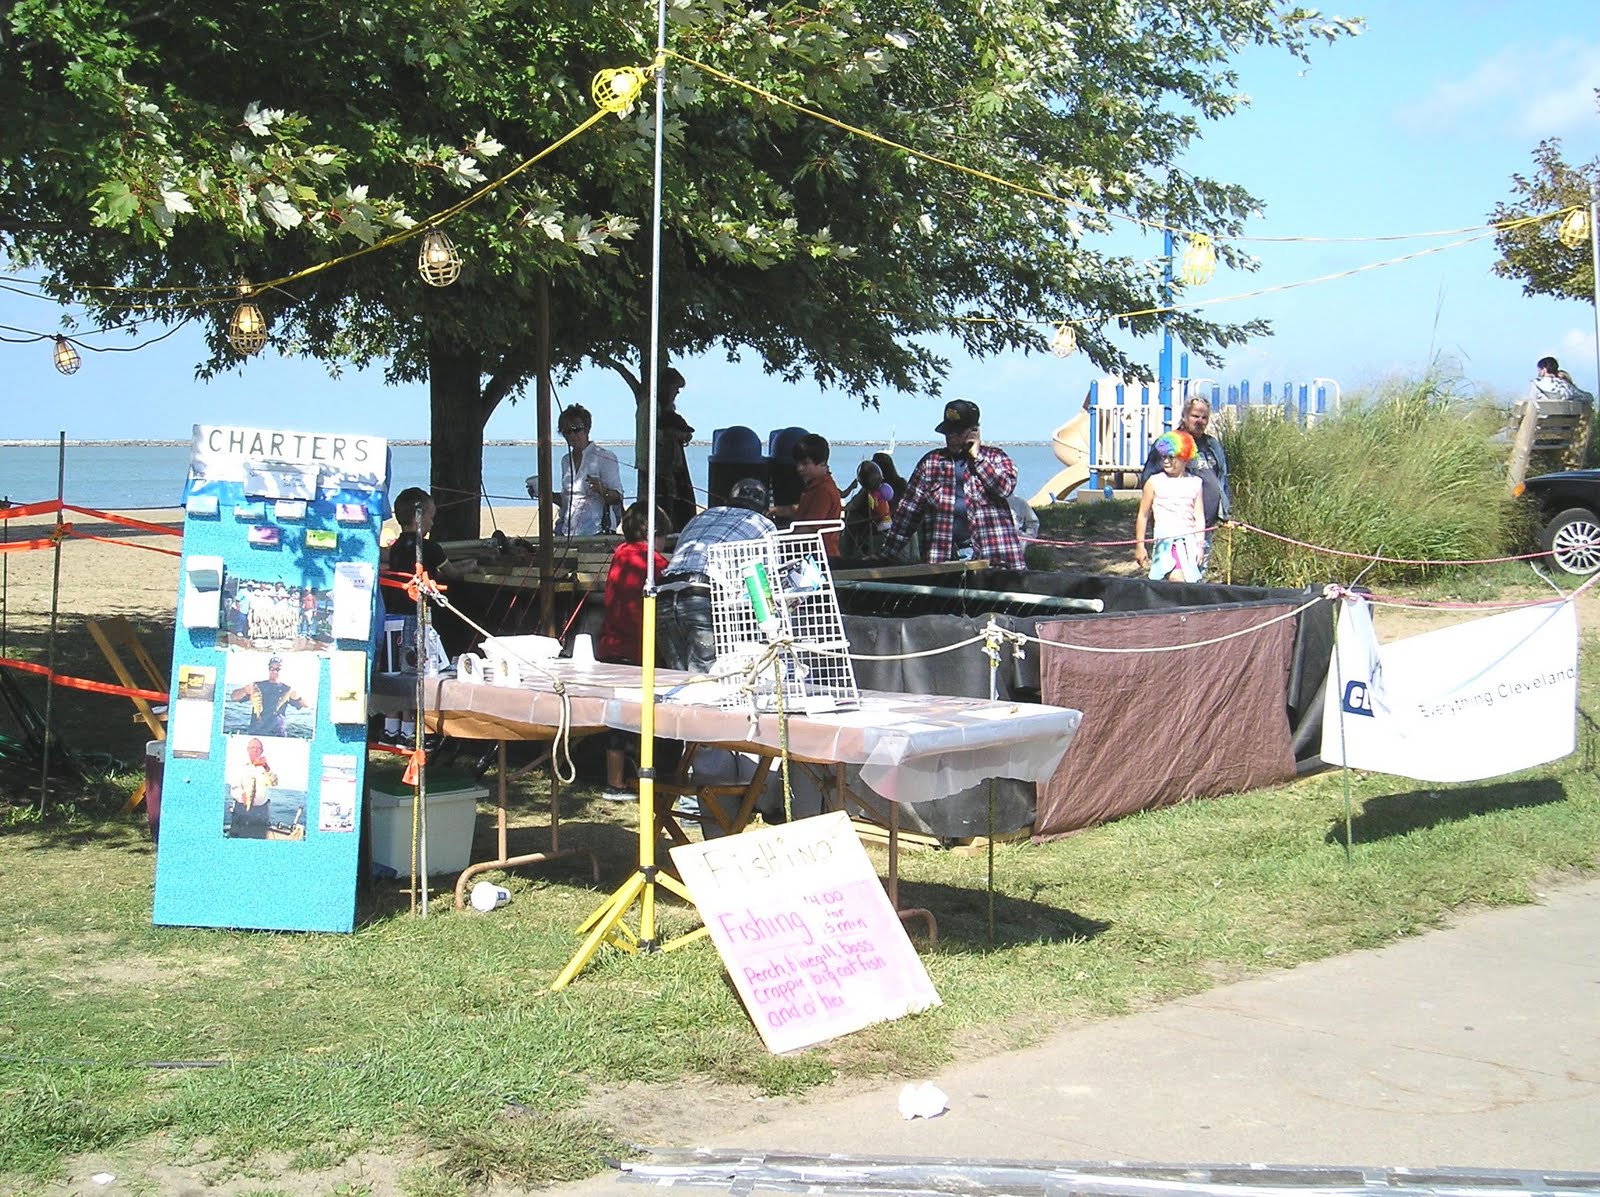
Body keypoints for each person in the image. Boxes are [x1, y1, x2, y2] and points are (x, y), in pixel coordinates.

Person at [880, 399, 1026, 570]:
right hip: (942, 560)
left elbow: (1005, 488)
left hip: (995, 559)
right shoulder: (931, 463)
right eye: (949, 433)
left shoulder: (996, 458)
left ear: (974, 431)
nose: (952, 438)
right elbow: (908, 514)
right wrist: (886, 554)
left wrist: (977, 458)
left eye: (958, 433)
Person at [657, 477, 776, 674]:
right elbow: (766, 583)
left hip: (665, 595)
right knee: (707, 681)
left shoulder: (703, 516)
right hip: (704, 598)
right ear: (764, 509)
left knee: (677, 679)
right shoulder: (763, 525)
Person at [1139, 395, 1230, 532]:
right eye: (1195, 416)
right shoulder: (1168, 443)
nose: (1199, 421)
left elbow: (1222, 479)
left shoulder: (1213, 445)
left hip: (1206, 527)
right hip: (1174, 528)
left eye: (1204, 417)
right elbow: (1149, 479)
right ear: (1184, 416)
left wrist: (1225, 513)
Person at [597, 504, 670, 667]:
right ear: (656, 533)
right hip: (638, 652)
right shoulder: (656, 564)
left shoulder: (621, 552)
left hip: (609, 645)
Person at [383, 487, 477, 614]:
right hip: (422, 608)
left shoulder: (396, 547)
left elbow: (424, 572)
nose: (432, 523)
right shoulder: (430, 548)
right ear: (419, 518)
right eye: (431, 518)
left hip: (398, 608)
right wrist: (472, 565)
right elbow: (452, 573)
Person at [1134, 430, 1206, 582]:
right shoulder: (1154, 481)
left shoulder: (1195, 483)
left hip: (1189, 544)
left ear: (1184, 458)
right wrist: (1140, 546)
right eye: (1163, 457)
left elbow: (1199, 516)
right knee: (1176, 579)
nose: (1166, 461)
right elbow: (1143, 515)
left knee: (1189, 583)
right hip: (1165, 543)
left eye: (1171, 457)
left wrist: (1200, 545)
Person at [547, 403, 624, 537]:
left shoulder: (604, 457)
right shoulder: (566, 460)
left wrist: (602, 490)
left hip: (597, 530)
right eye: (567, 431)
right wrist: (544, 494)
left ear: (587, 429)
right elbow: (567, 500)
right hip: (567, 530)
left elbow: (618, 497)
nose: (572, 435)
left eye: (576, 429)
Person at [768, 432, 842, 557]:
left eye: (805, 463)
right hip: (809, 553)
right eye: (797, 464)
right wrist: (776, 510)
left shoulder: (823, 490)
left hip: (820, 557)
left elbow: (809, 528)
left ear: (822, 463)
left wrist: (778, 540)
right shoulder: (815, 486)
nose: (799, 468)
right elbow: (804, 510)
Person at [656, 367, 698, 535]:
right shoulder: (659, 411)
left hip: (675, 465)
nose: (677, 393)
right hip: (668, 467)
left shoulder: (669, 413)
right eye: (675, 389)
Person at [228, 655, 307, 737]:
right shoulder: (257, 686)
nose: (274, 671)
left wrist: (299, 696)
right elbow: (233, 697)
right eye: (272, 668)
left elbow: (306, 705)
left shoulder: (287, 689)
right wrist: (244, 690)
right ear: (268, 669)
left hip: (278, 733)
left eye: (278, 669)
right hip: (256, 731)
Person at [841, 458, 896, 557]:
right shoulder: (886, 487)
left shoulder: (868, 491)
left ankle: (849, 553)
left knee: (851, 519)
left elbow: (852, 505)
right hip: (884, 523)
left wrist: (841, 509)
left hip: (873, 526)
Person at [226, 736, 278, 839]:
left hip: (260, 812)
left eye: (258, 748)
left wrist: (267, 769)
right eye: (252, 747)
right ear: (248, 749)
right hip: (241, 810)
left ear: (261, 751)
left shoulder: (265, 767)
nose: (255, 749)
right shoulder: (239, 766)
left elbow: (274, 783)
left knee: (259, 840)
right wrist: (242, 796)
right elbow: (234, 788)